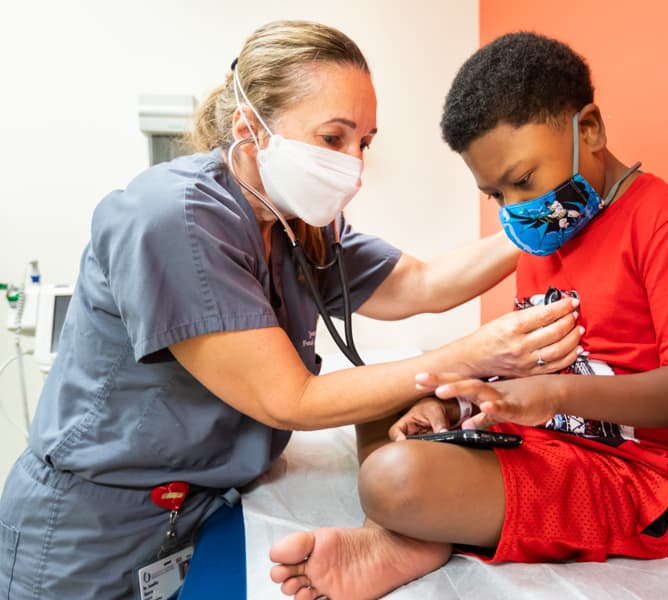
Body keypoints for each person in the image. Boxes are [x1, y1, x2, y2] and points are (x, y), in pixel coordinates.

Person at [0, 22, 583, 600]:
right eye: (334, 138)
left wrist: (551, 211)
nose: (354, 164)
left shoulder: (294, 224)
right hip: (92, 531)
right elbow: (289, 399)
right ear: (249, 129)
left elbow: (421, 283)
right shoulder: (171, 218)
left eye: (365, 143)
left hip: (197, 512)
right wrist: (466, 356)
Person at [270, 31, 668, 600]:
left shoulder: (666, 226)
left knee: (393, 477)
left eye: (522, 181)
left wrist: (554, 397)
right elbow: (529, 375)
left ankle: (401, 532)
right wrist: (456, 403)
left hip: (634, 478)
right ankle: (418, 525)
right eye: (496, 195)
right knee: (389, 394)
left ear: (588, 130)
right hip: (541, 439)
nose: (517, 208)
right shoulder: (547, 238)